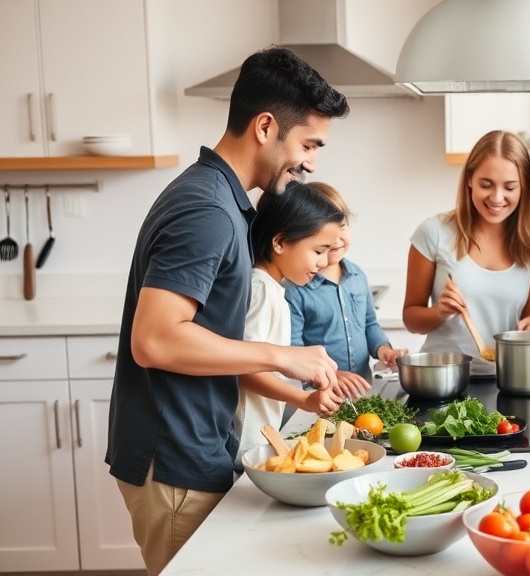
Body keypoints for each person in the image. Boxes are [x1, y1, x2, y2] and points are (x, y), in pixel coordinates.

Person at [106, 46, 350, 576]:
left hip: (193, 449)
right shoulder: (207, 209)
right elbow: (155, 340)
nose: (311, 162)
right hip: (174, 458)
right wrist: (284, 356)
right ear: (266, 126)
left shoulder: (222, 200)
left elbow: (205, 340)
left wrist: (293, 386)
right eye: (309, 143)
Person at [403, 130, 530, 375]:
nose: (497, 197)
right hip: (442, 376)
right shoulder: (434, 232)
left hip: (509, 377)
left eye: (510, 187)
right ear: (469, 179)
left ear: (523, 187)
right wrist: (440, 312)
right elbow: (411, 319)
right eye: (486, 184)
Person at [235, 184, 350, 466]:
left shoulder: (273, 287)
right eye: (319, 250)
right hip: (243, 438)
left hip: (258, 435)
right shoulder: (260, 288)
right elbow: (243, 369)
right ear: (280, 242)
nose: (323, 262)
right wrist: (303, 399)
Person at [285, 181, 406, 386]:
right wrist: (332, 376)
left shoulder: (357, 276)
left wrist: (384, 350)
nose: (337, 239)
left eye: (342, 226)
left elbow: (369, 324)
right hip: (319, 393)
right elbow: (295, 350)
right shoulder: (296, 288)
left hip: (361, 390)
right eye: (325, 231)